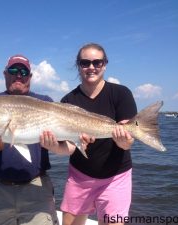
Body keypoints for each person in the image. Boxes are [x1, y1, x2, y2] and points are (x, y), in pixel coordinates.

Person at [40, 43, 137, 225]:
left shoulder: (121, 94)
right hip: (80, 175)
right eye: (85, 63)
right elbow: (68, 147)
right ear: (79, 66)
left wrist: (123, 139)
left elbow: (127, 144)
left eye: (97, 62)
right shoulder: (68, 101)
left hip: (116, 176)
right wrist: (52, 145)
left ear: (105, 64)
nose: (91, 67)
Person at [0, 54, 59, 225]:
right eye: (13, 70)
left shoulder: (45, 102)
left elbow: (63, 146)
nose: (18, 75)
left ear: (30, 76)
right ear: (5, 74)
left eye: (23, 71)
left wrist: (56, 145)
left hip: (37, 190)